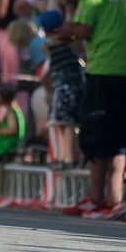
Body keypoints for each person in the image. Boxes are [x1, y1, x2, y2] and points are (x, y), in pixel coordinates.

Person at [58, 0, 126, 219]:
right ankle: (115, 200)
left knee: (96, 133)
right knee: (121, 134)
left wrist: (65, 31)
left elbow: (83, 29)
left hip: (105, 67)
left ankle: (96, 198)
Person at [39, 9, 84, 168]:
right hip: (73, 86)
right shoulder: (70, 42)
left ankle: (66, 158)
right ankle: (66, 157)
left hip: (62, 88)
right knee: (66, 123)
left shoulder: (47, 45)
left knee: (64, 123)